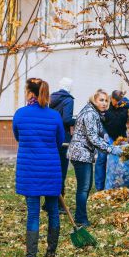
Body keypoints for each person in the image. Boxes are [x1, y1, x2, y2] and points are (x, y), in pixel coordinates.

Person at [13, 78, 65, 257]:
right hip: (51, 169)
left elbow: (18, 137)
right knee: (53, 211)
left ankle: (31, 256)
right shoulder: (54, 116)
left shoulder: (20, 114)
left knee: (33, 213)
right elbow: (59, 141)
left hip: (29, 170)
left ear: (29, 92)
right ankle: (51, 252)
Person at [67, 89, 124, 226]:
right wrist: (111, 149)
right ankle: (81, 219)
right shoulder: (90, 114)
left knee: (85, 187)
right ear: (94, 100)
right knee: (84, 188)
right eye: (101, 100)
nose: (104, 103)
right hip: (80, 154)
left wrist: (106, 138)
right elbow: (93, 138)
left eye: (106, 100)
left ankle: (80, 216)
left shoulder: (94, 113)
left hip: (84, 154)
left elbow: (98, 133)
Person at [95, 90, 129, 191]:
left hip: (120, 138)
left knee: (120, 161)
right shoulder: (106, 107)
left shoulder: (124, 106)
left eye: (120, 101)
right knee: (102, 159)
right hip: (106, 137)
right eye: (116, 101)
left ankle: (117, 185)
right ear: (112, 99)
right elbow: (100, 121)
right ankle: (99, 187)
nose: (118, 103)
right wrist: (103, 135)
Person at [49, 77, 75, 212]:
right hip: (63, 139)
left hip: (51, 139)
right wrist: (77, 120)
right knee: (61, 172)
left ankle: (49, 203)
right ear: (69, 87)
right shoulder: (68, 99)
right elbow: (66, 119)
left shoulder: (51, 99)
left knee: (52, 170)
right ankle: (59, 205)